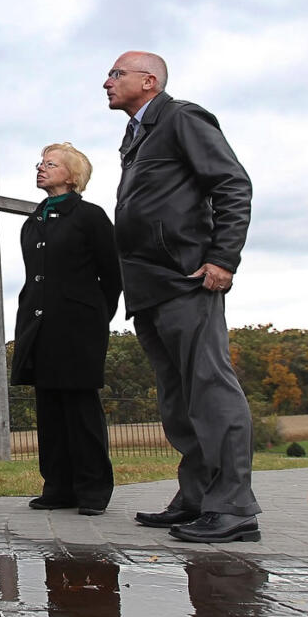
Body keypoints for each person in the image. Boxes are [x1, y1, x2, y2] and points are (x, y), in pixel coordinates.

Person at [105, 50, 260, 543]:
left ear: (149, 81)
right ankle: (196, 497)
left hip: (187, 278)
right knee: (177, 399)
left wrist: (223, 258)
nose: (106, 81)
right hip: (147, 286)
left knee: (210, 390)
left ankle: (234, 507)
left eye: (116, 73)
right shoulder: (135, 136)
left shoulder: (182, 117)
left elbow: (232, 183)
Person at [10, 143, 121, 516]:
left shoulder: (90, 216)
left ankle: (92, 490)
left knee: (79, 407)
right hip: (39, 325)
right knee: (50, 407)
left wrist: (94, 316)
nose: (40, 168)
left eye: (50, 164)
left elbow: (112, 274)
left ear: (72, 175)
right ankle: (58, 487)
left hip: (79, 325)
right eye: (39, 163)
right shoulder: (34, 220)